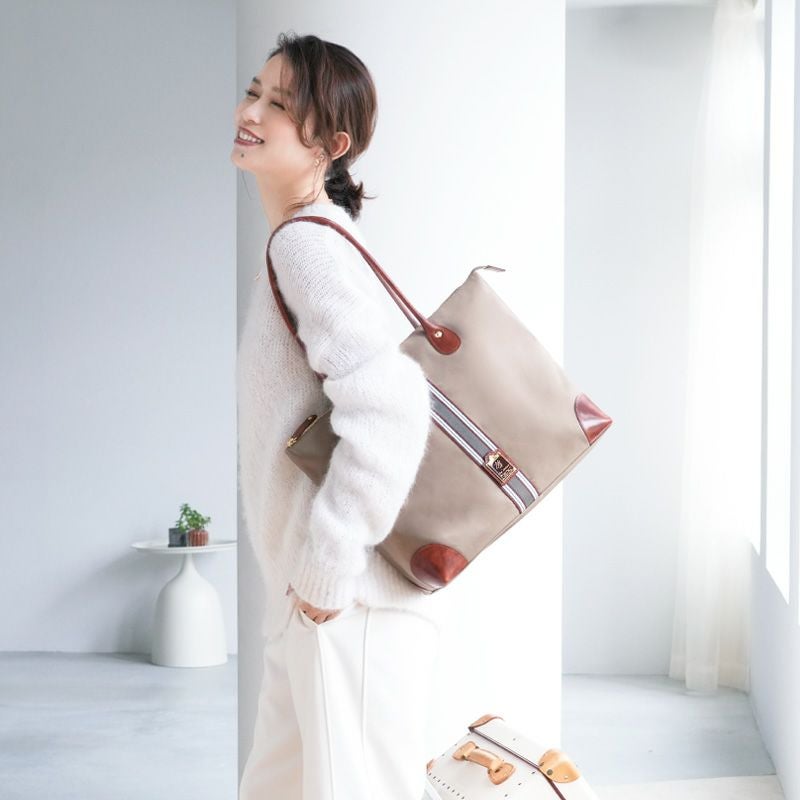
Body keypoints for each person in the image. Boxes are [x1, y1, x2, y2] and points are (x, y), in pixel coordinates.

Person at [233, 32, 452, 800]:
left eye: (278, 104)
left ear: (332, 145)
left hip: (344, 599)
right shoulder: (306, 239)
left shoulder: (307, 247)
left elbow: (391, 403)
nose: (250, 113)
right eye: (254, 92)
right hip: (315, 598)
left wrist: (330, 564)